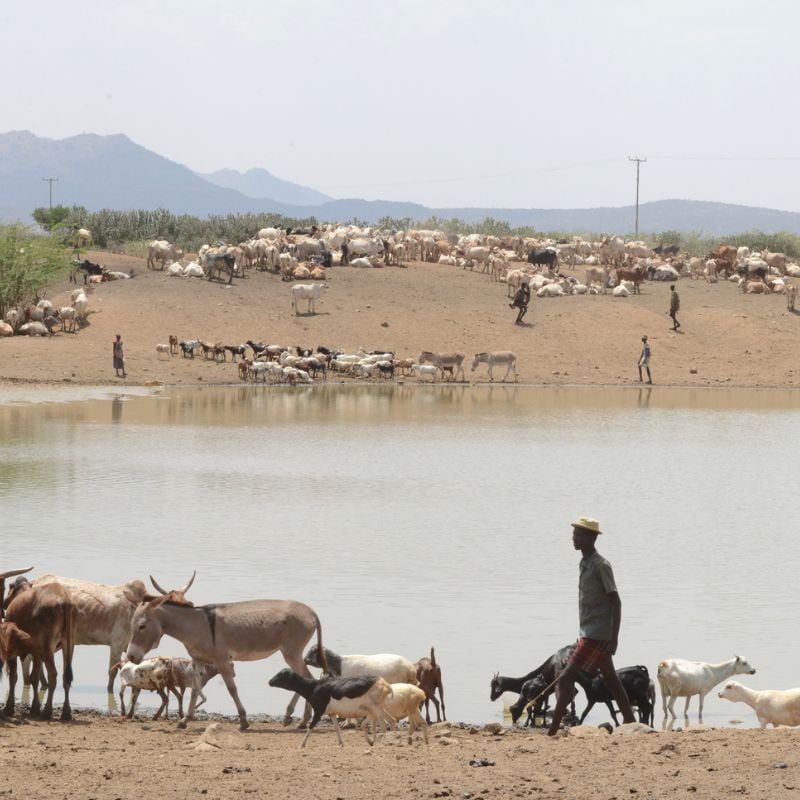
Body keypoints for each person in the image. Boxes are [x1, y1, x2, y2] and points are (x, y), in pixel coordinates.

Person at [547, 517, 636, 736]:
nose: (574, 539)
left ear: (591, 538)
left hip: (597, 635)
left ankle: (552, 732)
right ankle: (631, 722)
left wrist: (614, 638)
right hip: (589, 631)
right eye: (574, 534)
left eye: (578, 535)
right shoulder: (584, 563)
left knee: (566, 676)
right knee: (612, 680)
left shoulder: (601, 565)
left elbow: (616, 601)